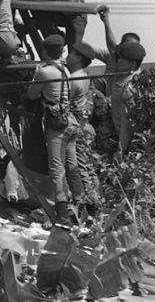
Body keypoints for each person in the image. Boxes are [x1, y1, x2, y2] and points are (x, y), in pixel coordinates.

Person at [27, 34, 83, 221]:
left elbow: (32, 94)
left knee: (57, 169)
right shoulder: (65, 71)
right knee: (72, 166)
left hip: (57, 125)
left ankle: (62, 213)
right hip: (71, 121)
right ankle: (81, 205)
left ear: (43, 51)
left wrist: (36, 73)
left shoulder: (43, 72)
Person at [65, 41, 101, 213]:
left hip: (76, 126)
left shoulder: (73, 79)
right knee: (87, 165)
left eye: (71, 53)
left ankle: (91, 204)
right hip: (85, 126)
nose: (68, 55)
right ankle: (97, 197)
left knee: (80, 167)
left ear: (78, 58)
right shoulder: (85, 76)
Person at [110, 41, 146, 153]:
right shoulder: (125, 79)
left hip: (129, 144)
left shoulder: (130, 88)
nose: (118, 61)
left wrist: (121, 149)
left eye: (122, 59)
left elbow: (127, 123)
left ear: (132, 64)